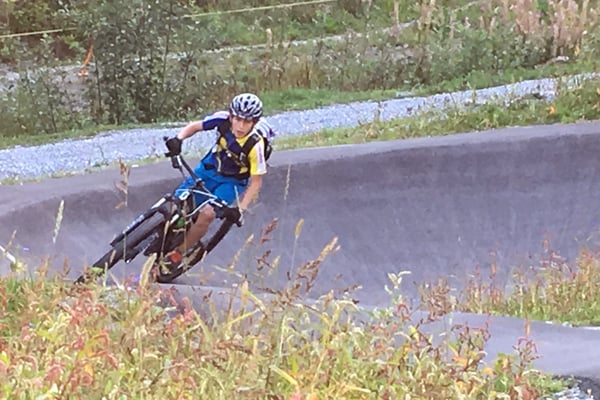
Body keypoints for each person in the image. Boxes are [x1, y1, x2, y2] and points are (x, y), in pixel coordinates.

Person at [161, 92, 274, 268]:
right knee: (177, 204)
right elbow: (195, 126)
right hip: (209, 169)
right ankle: (174, 226)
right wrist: (179, 139)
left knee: (207, 214)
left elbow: (256, 182)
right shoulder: (222, 119)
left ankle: (178, 253)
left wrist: (240, 209)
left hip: (232, 182)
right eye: (238, 119)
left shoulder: (255, 145)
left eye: (247, 121)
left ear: (255, 122)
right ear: (231, 116)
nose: (241, 126)